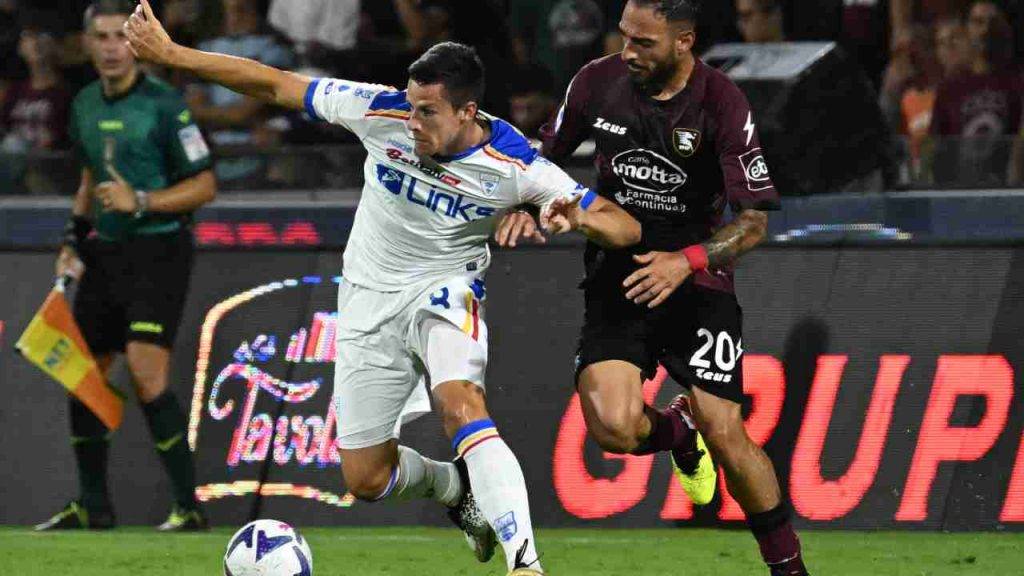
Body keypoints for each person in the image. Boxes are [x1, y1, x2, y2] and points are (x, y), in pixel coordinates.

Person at [125, 1, 639, 574]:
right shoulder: (380, 110)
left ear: (468, 111)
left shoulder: (515, 163)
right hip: (368, 301)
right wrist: (174, 55)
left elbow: (625, 225)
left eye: (427, 112)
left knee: (461, 404)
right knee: (365, 478)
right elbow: (274, 84)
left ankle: (525, 564)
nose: (412, 121)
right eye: (411, 106)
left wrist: (578, 217)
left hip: (446, 291)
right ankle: (455, 492)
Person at [498, 1, 809, 574]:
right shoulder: (596, 82)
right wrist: (528, 200)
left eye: (644, 42)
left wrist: (685, 261)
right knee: (614, 429)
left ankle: (789, 569)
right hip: (618, 271)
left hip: (698, 279)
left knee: (728, 433)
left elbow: (754, 222)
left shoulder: (722, 102)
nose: (628, 52)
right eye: (624, 37)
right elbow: (544, 157)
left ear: (684, 41)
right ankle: (676, 430)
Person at [35, 0, 216, 532]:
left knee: (145, 372)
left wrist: (141, 200)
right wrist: (73, 238)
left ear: (135, 43)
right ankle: (93, 505)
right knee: (83, 376)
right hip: (104, 253)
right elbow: (90, 181)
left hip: (159, 250)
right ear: (87, 43)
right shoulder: (84, 103)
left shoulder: (165, 106)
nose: (113, 46)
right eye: (103, 36)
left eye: (121, 36)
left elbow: (204, 185)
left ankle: (189, 508)